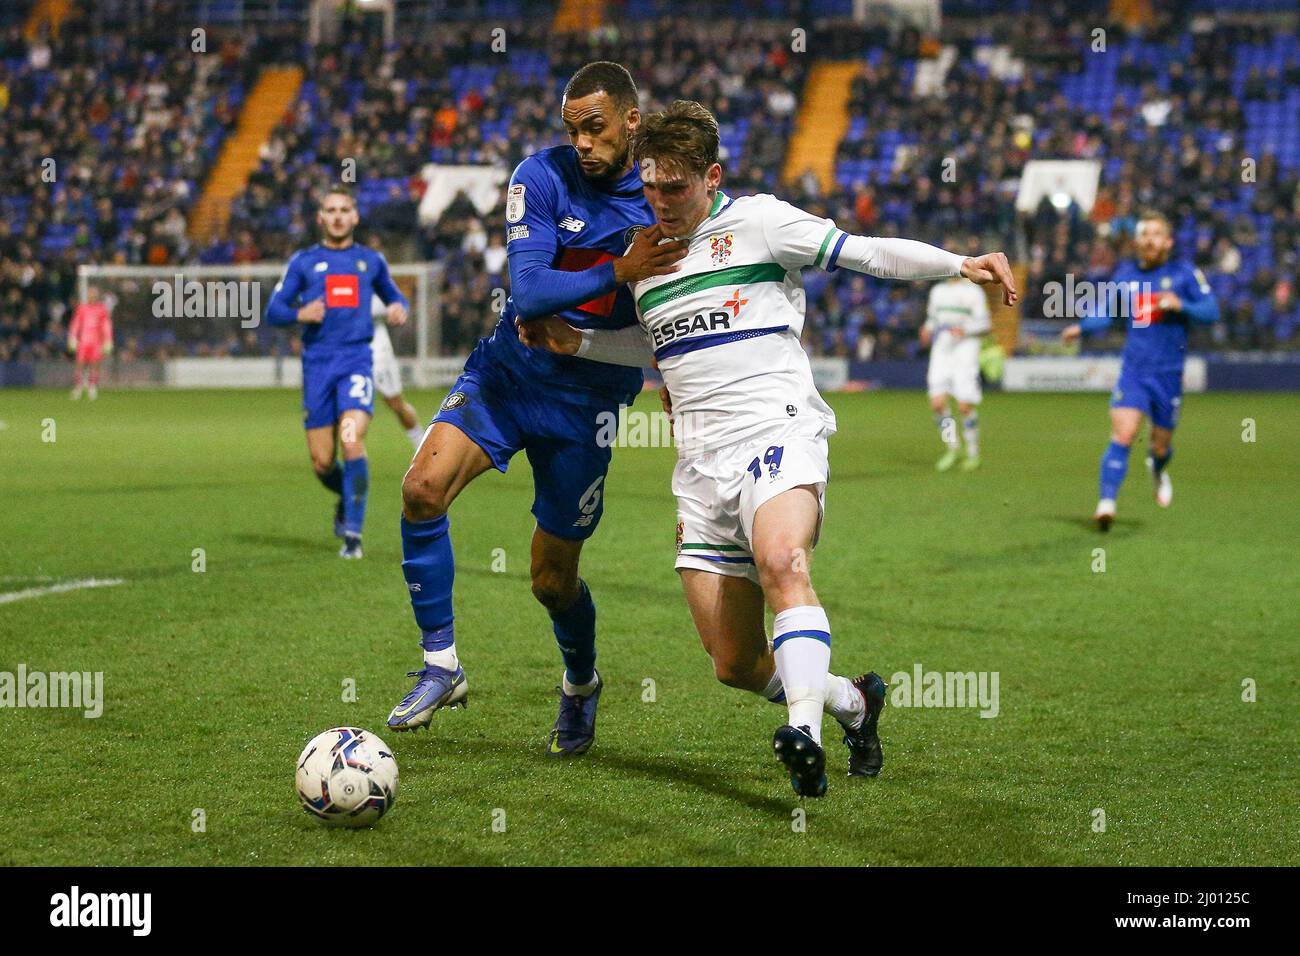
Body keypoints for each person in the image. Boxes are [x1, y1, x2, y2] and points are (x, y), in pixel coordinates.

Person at [519, 100, 1017, 796]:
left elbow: (866, 252)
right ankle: (853, 703)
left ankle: (804, 738)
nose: (660, 200)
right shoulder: (645, 256)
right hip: (700, 463)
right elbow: (659, 343)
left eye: (676, 188)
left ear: (710, 175)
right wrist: (583, 341)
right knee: (735, 662)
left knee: (783, 560)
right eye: (651, 185)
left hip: (777, 429)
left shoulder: (759, 221)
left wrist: (962, 264)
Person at [386, 62, 688, 757]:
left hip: (587, 409)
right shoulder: (540, 176)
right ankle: (442, 666)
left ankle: (580, 685)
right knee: (421, 490)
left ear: (631, 123)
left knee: (552, 583)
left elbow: (659, 332)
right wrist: (617, 269)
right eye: (572, 129)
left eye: (596, 127)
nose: (582, 142)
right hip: (507, 376)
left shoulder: (663, 205)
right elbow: (527, 293)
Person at [265, 188, 409, 558]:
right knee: (322, 462)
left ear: (355, 217)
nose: (339, 216)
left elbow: (396, 296)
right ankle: (346, 498)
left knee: (351, 438)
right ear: (320, 218)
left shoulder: (370, 261)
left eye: (345, 209)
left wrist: (397, 307)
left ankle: (353, 538)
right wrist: (300, 314)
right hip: (317, 366)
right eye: (331, 210)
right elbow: (273, 310)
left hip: (356, 362)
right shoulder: (304, 263)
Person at [1062, 211, 1219, 531]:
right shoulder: (1126, 276)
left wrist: (1181, 305)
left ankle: (1158, 469)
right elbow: (1107, 315)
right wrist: (1081, 327)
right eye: (1144, 234)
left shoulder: (1184, 274)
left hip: (1168, 376)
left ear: (1168, 241)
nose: (1149, 239)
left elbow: (1211, 311)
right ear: (1136, 241)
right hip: (1134, 371)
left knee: (1160, 445)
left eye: (1156, 234)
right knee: (1124, 433)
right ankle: (1106, 503)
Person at [920, 275, 991, 471]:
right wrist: (926, 330)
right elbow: (933, 320)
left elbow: (985, 324)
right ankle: (952, 447)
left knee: (964, 406)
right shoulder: (938, 291)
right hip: (942, 347)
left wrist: (965, 330)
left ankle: (973, 453)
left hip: (966, 348)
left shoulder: (973, 291)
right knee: (937, 404)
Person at [368, 293, 424, 450]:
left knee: (395, 402)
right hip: (343, 346)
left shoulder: (372, 271)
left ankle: (421, 443)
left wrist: (396, 309)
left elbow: (399, 301)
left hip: (376, 347)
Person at [68, 285, 113, 400]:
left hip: (96, 341)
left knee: (95, 364)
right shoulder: (82, 308)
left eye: (94, 294)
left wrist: (108, 340)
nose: (92, 296)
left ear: (97, 296)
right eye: (90, 294)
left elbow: (106, 325)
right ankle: (78, 387)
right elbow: (76, 324)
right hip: (84, 341)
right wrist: (72, 337)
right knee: (80, 364)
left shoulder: (102, 309)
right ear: (87, 295)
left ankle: (92, 387)